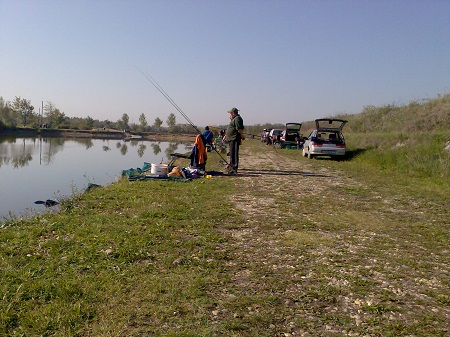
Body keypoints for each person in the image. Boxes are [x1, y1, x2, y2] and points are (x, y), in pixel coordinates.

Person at [225, 107, 244, 175]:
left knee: (234, 154)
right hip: (231, 139)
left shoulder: (237, 118)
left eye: (230, 113)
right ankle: (231, 167)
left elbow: (239, 129)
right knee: (231, 154)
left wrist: (242, 136)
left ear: (233, 113)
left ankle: (234, 168)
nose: (230, 115)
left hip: (234, 139)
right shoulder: (234, 119)